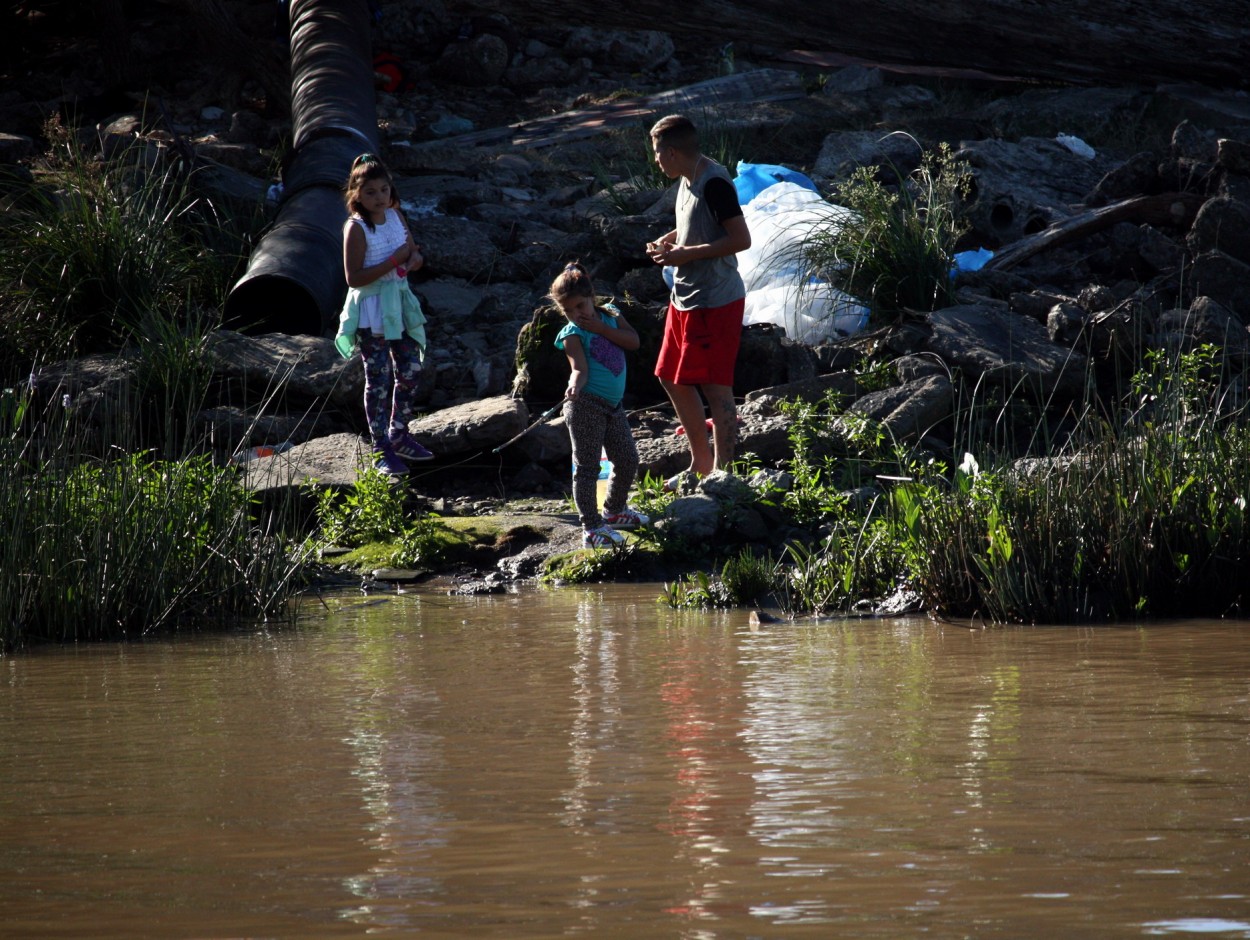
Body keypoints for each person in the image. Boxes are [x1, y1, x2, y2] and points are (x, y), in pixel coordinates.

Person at [646, 114, 751, 489]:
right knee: (670, 377)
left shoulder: (714, 182)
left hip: (715, 301)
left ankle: (725, 474)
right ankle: (700, 463)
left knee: (715, 386)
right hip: (685, 297)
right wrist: (669, 240)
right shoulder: (686, 178)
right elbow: (695, 224)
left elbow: (740, 239)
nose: (656, 161)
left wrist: (685, 255)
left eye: (658, 154)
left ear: (673, 152)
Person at [335, 153, 435, 477]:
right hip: (370, 311)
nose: (379, 197)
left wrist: (411, 261)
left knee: (410, 367)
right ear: (356, 195)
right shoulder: (357, 228)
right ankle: (380, 447)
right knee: (378, 378)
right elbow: (354, 278)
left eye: (383, 190)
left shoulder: (394, 215)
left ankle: (399, 433)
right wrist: (395, 261)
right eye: (370, 192)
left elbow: (413, 252)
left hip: (398, 304)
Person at [550, 262, 650, 549]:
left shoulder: (611, 315)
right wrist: (574, 386)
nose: (577, 314)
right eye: (569, 310)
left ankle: (615, 510)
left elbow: (633, 342)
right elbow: (579, 368)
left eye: (581, 306)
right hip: (586, 406)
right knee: (588, 468)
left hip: (613, 406)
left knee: (628, 458)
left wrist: (602, 329)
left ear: (591, 297)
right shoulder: (571, 334)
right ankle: (591, 528)